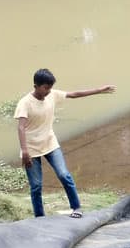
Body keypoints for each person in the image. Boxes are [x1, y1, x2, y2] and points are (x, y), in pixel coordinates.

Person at [13, 68, 116, 218]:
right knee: (36, 186)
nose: (49, 91)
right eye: (46, 88)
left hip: (50, 143)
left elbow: (74, 94)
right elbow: (21, 127)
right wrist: (25, 152)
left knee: (64, 174)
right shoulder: (25, 103)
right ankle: (40, 218)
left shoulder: (52, 95)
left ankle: (76, 207)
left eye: (50, 87)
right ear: (36, 86)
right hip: (31, 148)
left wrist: (99, 90)